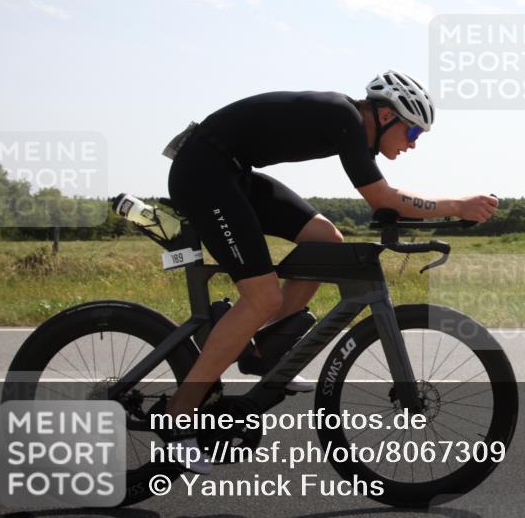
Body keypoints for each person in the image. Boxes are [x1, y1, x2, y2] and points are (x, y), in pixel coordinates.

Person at [162, 70, 498, 472]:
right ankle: (178, 416)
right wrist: (458, 205)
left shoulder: (347, 121)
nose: (412, 146)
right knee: (261, 296)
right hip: (204, 173)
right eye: (412, 134)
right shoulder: (346, 118)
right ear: (387, 116)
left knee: (325, 239)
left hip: (230, 171)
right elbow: (382, 198)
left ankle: (265, 351)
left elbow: (388, 202)